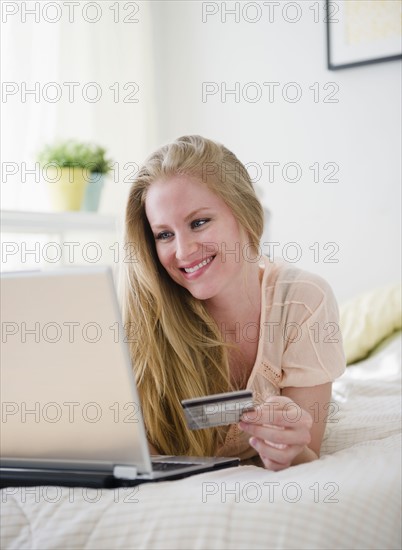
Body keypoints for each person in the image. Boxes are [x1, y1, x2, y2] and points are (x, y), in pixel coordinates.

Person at [122, 135, 346, 471]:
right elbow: (140, 453)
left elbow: (306, 455)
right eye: (164, 234)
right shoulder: (146, 316)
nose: (182, 252)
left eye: (199, 223)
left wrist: (289, 450)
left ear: (244, 214)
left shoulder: (303, 301)